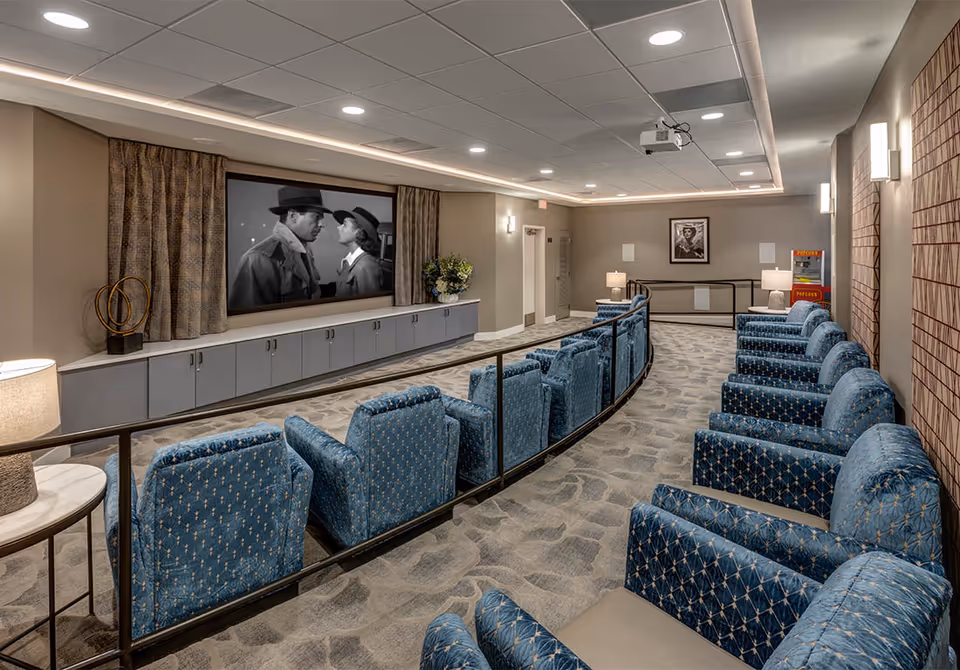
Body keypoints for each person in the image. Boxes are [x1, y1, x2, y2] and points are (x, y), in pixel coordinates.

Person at [229, 186, 330, 310]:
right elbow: (248, 319)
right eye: (316, 217)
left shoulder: (304, 249)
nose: (321, 224)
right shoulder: (259, 258)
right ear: (293, 215)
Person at [334, 207, 383, 296]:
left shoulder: (366, 266)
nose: (338, 227)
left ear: (358, 232)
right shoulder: (348, 261)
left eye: (344, 225)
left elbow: (369, 305)